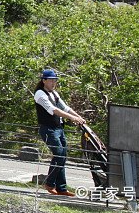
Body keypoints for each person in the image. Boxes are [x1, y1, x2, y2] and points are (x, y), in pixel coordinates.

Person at [34, 68, 86, 197]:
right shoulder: (40, 94)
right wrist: (72, 118)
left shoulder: (54, 93)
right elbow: (53, 110)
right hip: (48, 129)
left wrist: (78, 117)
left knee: (63, 155)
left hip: (59, 128)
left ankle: (61, 188)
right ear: (44, 80)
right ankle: (50, 183)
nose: (53, 83)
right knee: (59, 154)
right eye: (51, 80)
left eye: (55, 80)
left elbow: (65, 107)